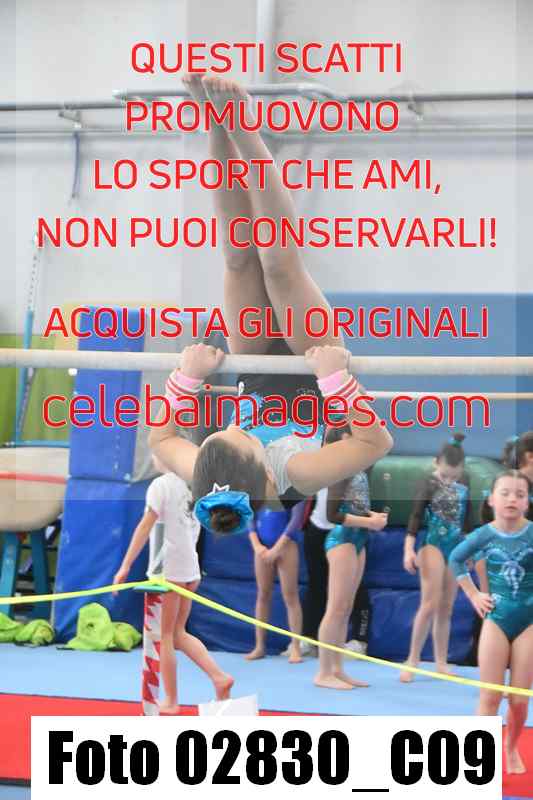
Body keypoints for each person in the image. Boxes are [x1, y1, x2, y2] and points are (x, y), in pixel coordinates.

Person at [149, 74, 393, 534]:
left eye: (228, 427)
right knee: (279, 266)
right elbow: (375, 442)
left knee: (239, 259)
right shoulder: (295, 473)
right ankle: (244, 128)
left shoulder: (208, 469)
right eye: (242, 433)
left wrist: (186, 380)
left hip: (256, 361)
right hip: (313, 360)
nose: (237, 425)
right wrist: (336, 383)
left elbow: (161, 440)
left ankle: (217, 122)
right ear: (263, 469)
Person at [113, 459, 233, 714]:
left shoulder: (162, 485)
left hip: (169, 568)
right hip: (189, 567)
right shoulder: (194, 485)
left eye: (156, 453)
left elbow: (145, 525)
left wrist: (125, 566)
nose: (152, 458)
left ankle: (171, 699)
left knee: (165, 635)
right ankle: (219, 677)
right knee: (177, 633)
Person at [449, 470, 533, 775]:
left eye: (519, 495)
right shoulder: (484, 534)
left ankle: (510, 748)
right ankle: (479, 761)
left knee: (519, 700)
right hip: (496, 619)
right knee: (490, 695)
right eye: (505, 493)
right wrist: (473, 594)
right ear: (491, 499)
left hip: (529, 623)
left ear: (527, 502)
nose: (512, 499)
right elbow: (455, 559)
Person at [314, 426, 388, 689]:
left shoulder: (359, 468)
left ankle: (337, 669)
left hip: (358, 540)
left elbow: (355, 505)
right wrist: (369, 523)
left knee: (346, 608)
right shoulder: (340, 469)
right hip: (342, 540)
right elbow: (333, 514)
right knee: (335, 608)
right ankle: (323, 673)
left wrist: (371, 516)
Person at [400, 434, 474, 682]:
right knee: (430, 603)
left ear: (462, 469)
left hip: (455, 546)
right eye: (445, 475)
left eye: (454, 476)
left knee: (447, 606)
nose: (449, 480)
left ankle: (440, 662)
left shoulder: (465, 482)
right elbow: (415, 516)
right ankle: (412, 659)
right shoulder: (429, 482)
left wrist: (469, 549)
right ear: (436, 463)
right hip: (432, 544)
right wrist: (408, 550)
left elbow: (467, 519)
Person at [246, 502, 307, 663]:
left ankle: (296, 646)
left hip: (286, 545)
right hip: (262, 547)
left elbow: (295, 520)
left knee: (290, 596)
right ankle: (259, 646)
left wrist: (277, 549)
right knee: (263, 595)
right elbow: (249, 517)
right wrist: (257, 546)